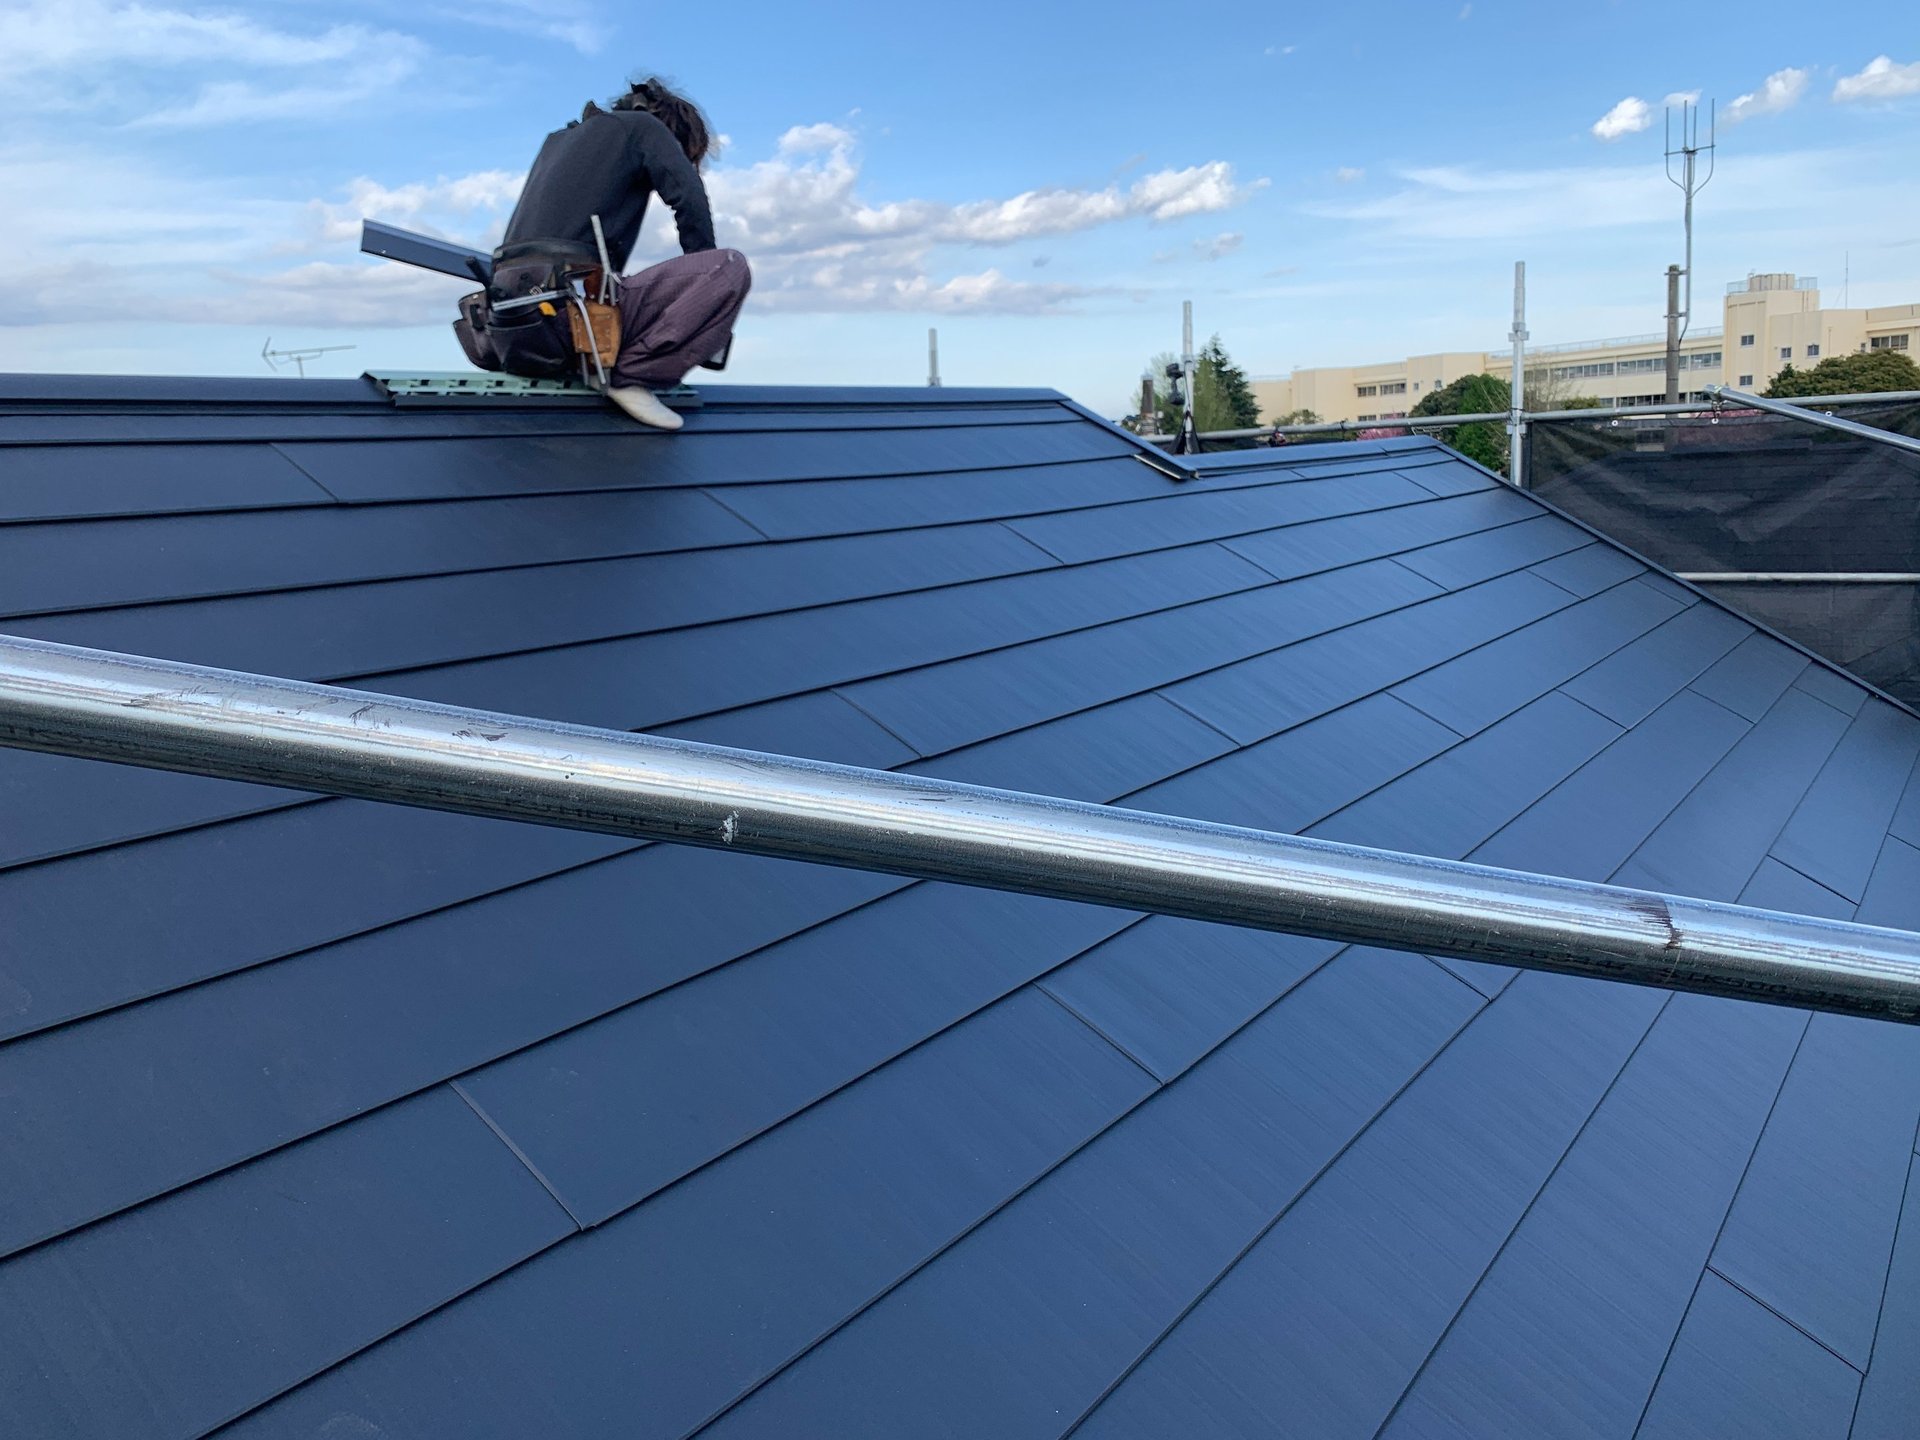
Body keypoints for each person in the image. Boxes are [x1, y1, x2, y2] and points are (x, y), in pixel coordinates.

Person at [497, 77, 751, 430]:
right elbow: (689, 199)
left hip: (513, 326)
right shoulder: (644, 126)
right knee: (728, 267)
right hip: (570, 314)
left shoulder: (558, 141)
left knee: (606, 284)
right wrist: (704, 283)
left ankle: (606, 361)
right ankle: (631, 376)